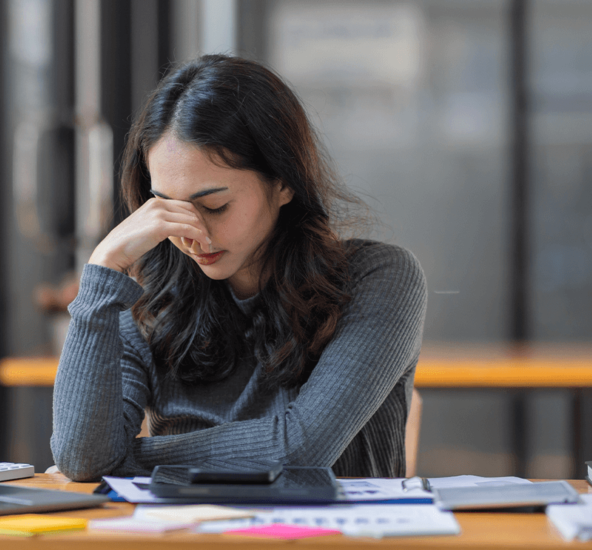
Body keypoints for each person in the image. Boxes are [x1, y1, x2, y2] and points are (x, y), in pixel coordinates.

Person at [51, 54, 426, 481]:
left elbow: (300, 450)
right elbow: (81, 458)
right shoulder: (145, 299)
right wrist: (102, 269)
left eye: (214, 206)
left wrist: (124, 461)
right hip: (188, 524)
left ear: (284, 182)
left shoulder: (378, 278)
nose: (191, 234)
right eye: (167, 209)